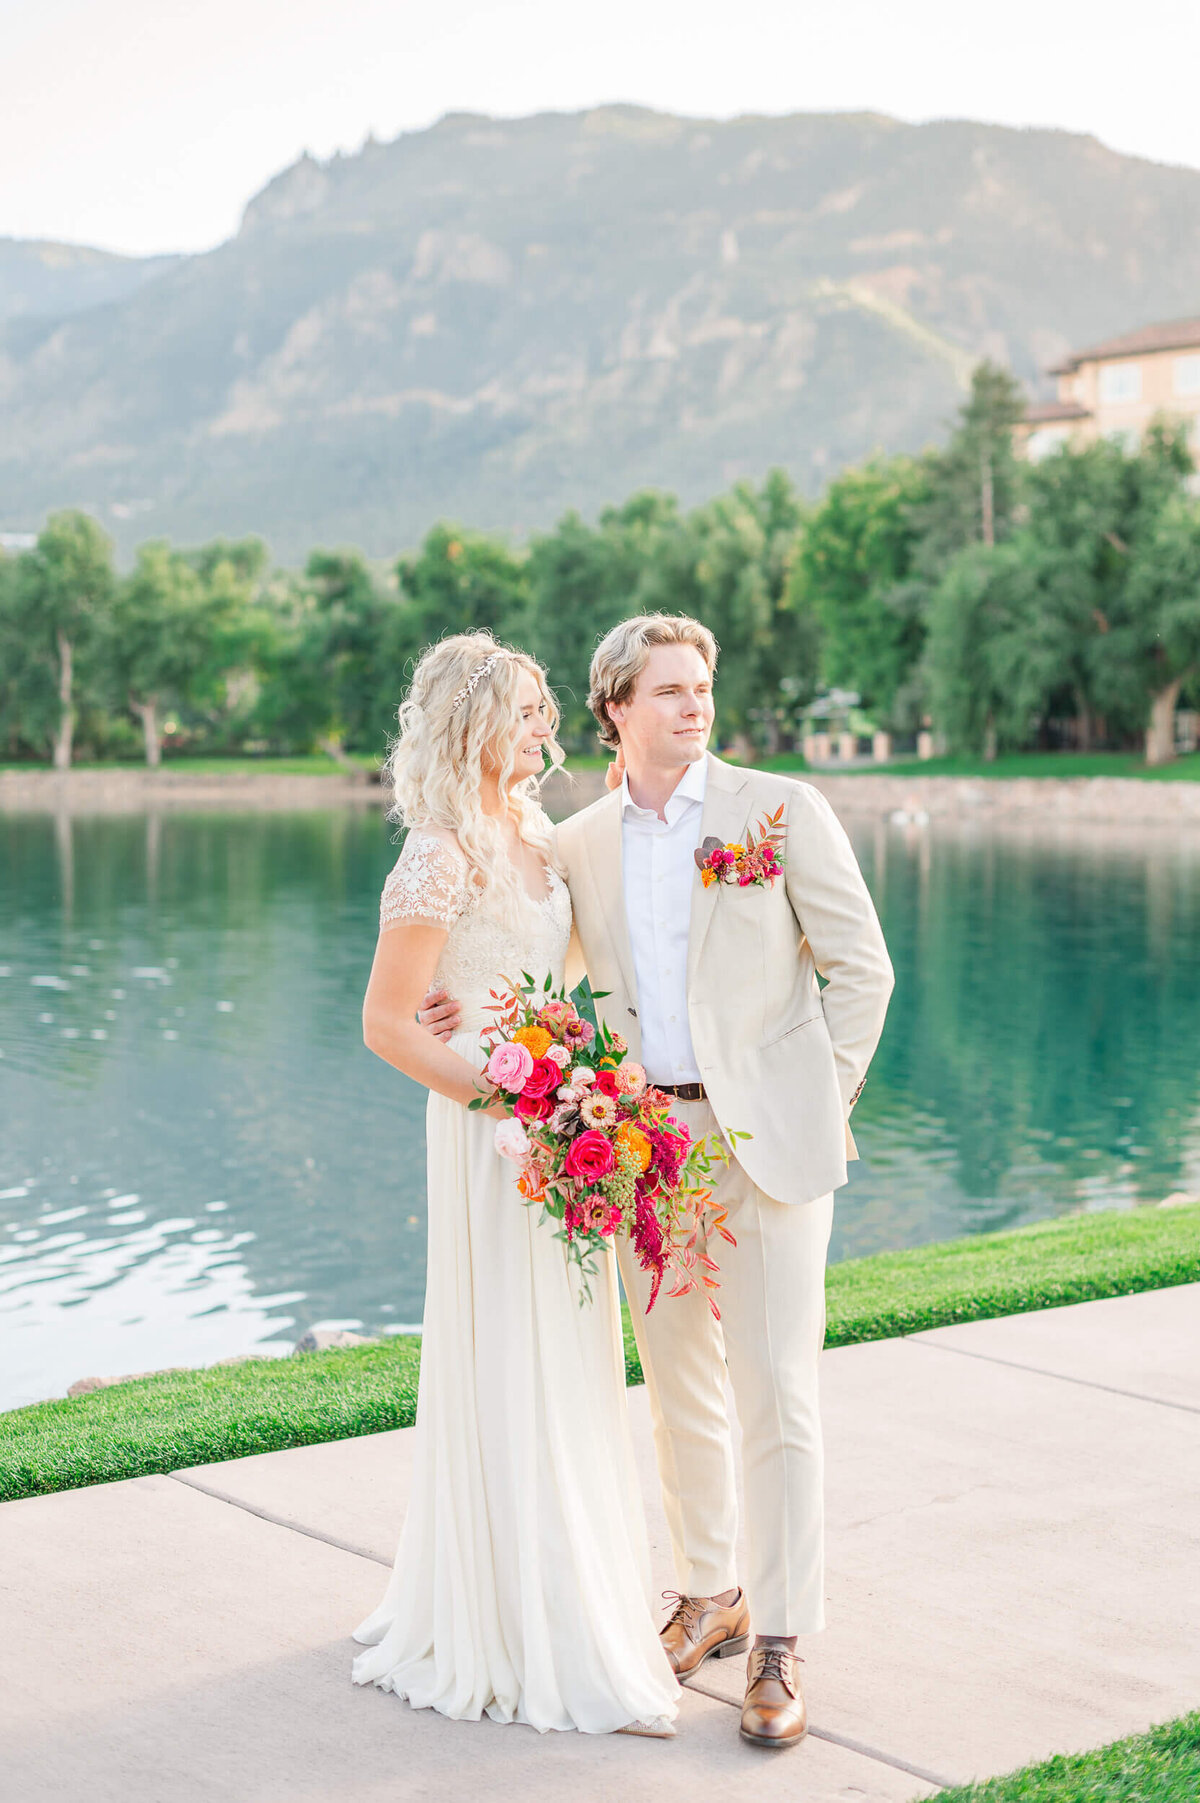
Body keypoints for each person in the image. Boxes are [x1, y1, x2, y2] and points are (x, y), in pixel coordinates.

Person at [421, 614, 894, 1751]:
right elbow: (535, 970)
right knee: (681, 1387)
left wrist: (815, 1101)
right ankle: (710, 1592)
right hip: (648, 1149)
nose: (695, 707)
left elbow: (860, 971)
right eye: (670, 691)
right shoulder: (576, 843)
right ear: (616, 708)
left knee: (778, 1389)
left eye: (703, 688)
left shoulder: (778, 812)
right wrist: (455, 1010)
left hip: (771, 1149)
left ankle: (781, 1638)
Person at [351, 631, 679, 1739]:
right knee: (512, 1347)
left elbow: (554, 973)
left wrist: (568, 1076)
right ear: (481, 723)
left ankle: (572, 1596)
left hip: (557, 1114)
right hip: (496, 1133)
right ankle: (512, 1618)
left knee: (570, 1352)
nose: (550, 728)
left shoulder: (533, 837)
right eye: (535, 712)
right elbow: (386, 1023)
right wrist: (505, 1094)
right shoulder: (438, 853)